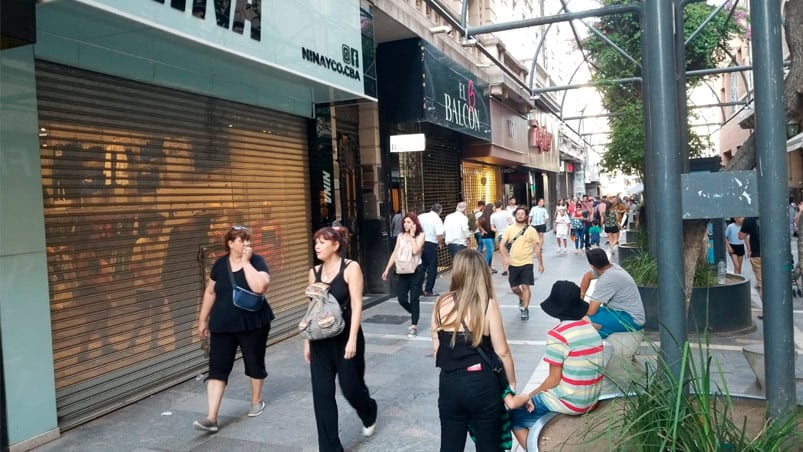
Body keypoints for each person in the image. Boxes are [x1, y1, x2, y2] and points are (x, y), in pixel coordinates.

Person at [431, 249, 517, 452]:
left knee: (450, 446)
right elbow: (502, 351)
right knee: (489, 445)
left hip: (449, 383)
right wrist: (510, 383)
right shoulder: (487, 305)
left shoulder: (441, 302)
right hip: (482, 384)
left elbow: (437, 349)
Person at [506, 281, 604, 449]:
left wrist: (530, 395)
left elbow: (553, 380)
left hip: (573, 401)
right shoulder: (592, 330)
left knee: (514, 417)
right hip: (592, 399)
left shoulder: (558, 335)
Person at [194, 226, 274, 433]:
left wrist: (246, 263)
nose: (246, 244)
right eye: (241, 241)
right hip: (222, 325)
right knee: (217, 368)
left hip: (253, 323)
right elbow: (210, 292)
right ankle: (211, 417)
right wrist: (202, 320)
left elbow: (260, 287)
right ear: (230, 243)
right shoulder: (220, 265)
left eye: (248, 241)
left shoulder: (257, 261)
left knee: (254, 362)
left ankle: (256, 401)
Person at [305, 226, 378, 450]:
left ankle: (368, 411)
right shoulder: (314, 272)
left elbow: (356, 305)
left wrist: (353, 339)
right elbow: (312, 310)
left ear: (335, 245)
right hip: (320, 342)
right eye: (316, 242)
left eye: (322, 242)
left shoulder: (350, 268)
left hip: (346, 337)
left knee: (350, 387)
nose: (317, 246)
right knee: (322, 396)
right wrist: (306, 341)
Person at [579, 248, 645, 338]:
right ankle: (601, 328)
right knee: (582, 313)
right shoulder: (612, 267)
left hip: (631, 318)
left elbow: (591, 311)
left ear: (592, 266)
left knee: (582, 321)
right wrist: (581, 296)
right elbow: (587, 276)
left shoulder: (606, 279)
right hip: (618, 311)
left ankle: (599, 332)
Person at [382, 213, 425, 338]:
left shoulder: (420, 235)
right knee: (401, 298)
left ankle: (413, 326)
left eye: (410, 222)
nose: (407, 224)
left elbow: (415, 250)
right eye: (405, 222)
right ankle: (414, 313)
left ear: (415, 224)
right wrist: (387, 268)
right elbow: (395, 252)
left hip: (416, 270)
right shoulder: (400, 236)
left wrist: (412, 236)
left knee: (414, 298)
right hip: (403, 270)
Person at [499, 206, 544, 321]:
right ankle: (521, 297)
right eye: (518, 214)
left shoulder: (531, 230)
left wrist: (540, 263)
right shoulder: (509, 229)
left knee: (525, 286)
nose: (520, 215)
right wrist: (505, 257)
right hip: (513, 264)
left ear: (526, 216)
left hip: (527, 263)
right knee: (514, 288)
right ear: (515, 215)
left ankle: (525, 308)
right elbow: (501, 245)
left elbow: (537, 248)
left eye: (522, 214)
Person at [419, 204, 445, 297]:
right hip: (431, 244)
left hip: (420, 243)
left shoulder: (421, 216)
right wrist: (440, 244)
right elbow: (439, 234)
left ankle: (418, 289)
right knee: (432, 268)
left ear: (431, 208)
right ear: (440, 211)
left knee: (421, 266)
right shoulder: (437, 220)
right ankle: (428, 290)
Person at [739, 217, 762, 317]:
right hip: (774, 256)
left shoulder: (749, 220)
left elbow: (741, 236)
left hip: (757, 255)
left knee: (762, 283)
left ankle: (767, 310)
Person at [490, 200, 513, 276]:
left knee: (503, 253)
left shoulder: (492, 216)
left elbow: (492, 228)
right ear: (501, 206)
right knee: (511, 252)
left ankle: (505, 270)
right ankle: (513, 267)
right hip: (509, 234)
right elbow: (511, 223)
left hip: (500, 235)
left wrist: (499, 229)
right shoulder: (506, 213)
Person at [477, 204, 496, 272]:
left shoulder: (492, 216)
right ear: (490, 208)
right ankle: (484, 267)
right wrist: (482, 230)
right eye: (493, 207)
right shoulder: (483, 217)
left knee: (491, 251)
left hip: (492, 235)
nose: (494, 208)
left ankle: (489, 267)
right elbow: (477, 223)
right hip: (486, 236)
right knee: (490, 251)